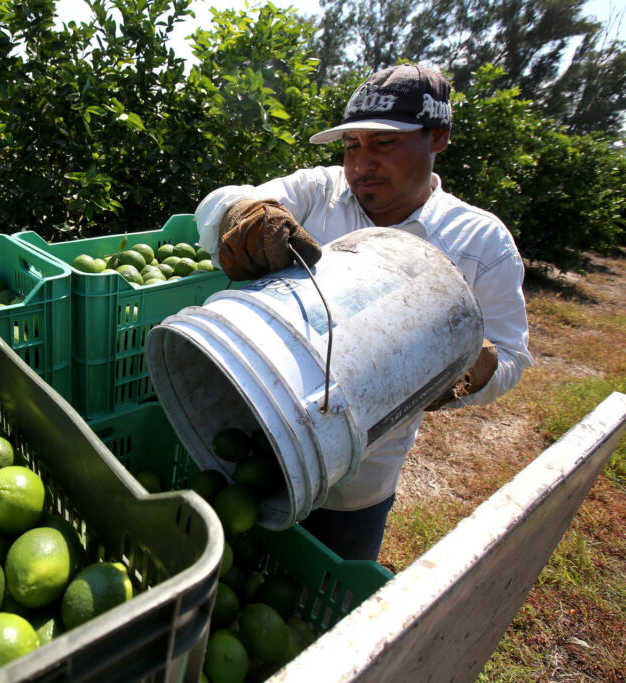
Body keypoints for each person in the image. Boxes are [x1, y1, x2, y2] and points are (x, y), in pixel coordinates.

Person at [194, 64, 533, 561]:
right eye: (352, 146)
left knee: (329, 597)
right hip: (255, 432)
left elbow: (512, 357)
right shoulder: (320, 193)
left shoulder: (479, 242)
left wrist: (465, 368)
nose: (361, 164)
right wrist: (242, 216)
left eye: (384, 144)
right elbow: (223, 203)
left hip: (359, 477)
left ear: (437, 138)